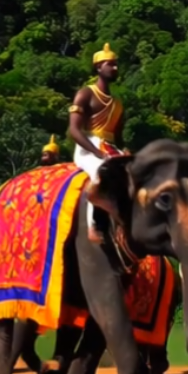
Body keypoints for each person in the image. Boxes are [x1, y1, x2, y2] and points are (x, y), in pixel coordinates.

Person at [68, 43, 125, 243]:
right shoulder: (86, 93)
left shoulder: (117, 103)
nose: (115, 68)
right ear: (99, 68)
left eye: (116, 64)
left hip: (111, 147)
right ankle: (95, 225)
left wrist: (125, 152)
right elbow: (74, 130)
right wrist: (96, 152)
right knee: (102, 171)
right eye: (110, 64)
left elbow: (118, 137)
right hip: (89, 148)